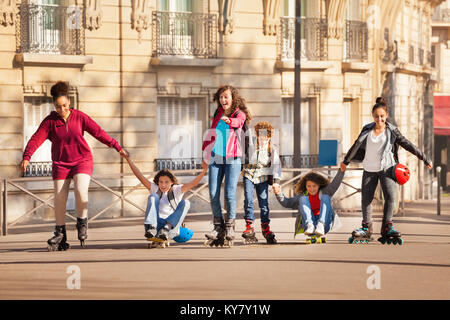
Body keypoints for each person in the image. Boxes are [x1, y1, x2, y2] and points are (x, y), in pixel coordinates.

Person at [21, 81, 128, 251]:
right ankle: (60, 233)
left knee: (80, 189)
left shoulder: (80, 117)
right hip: (60, 163)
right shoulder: (49, 122)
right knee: (59, 197)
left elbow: (99, 132)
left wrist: (117, 147)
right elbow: (35, 139)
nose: (61, 110)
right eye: (58, 107)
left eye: (64, 105)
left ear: (69, 102)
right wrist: (27, 157)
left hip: (82, 160)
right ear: (54, 105)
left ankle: (82, 222)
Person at [341, 97, 433, 244]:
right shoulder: (366, 129)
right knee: (366, 199)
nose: (379, 119)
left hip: (388, 169)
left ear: (386, 116)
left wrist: (424, 158)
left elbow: (407, 144)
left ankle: (387, 227)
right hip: (369, 169)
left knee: (390, 198)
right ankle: (366, 227)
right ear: (373, 116)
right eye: (377, 116)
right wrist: (346, 161)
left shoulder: (392, 131)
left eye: (382, 116)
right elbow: (356, 145)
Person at [202, 85, 252, 247]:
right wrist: (205, 154)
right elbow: (211, 134)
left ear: (232, 98)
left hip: (233, 158)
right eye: (221, 97)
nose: (223, 100)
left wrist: (229, 120)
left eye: (226, 97)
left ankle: (230, 226)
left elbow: (238, 123)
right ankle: (218, 227)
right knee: (213, 193)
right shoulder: (217, 113)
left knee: (230, 194)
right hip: (216, 158)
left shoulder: (239, 113)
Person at [122, 153, 207, 242]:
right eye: (161, 182)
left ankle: (166, 229)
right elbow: (139, 175)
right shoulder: (154, 188)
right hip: (156, 224)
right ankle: (152, 227)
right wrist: (128, 159)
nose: (163, 185)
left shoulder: (177, 190)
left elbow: (193, 184)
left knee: (186, 202)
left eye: (166, 182)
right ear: (157, 182)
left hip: (170, 226)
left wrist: (204, 170)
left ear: (172, 182)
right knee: (153, 196)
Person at [273, 168, 345, 239]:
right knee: (303, 198)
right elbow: (287, 203)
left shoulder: (324, 192)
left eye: (314, 186)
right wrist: (278, 193)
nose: (311, 189)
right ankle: (310, 225)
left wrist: (341, 171)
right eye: (309, 186)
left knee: (326, 197)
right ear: (305, 186)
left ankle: (321, 224)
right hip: (308, 227)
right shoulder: (303, 196)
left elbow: (334, 184)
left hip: (325, 225)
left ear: (319, 185)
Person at [242, 121, 282, 244]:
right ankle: (249, 225)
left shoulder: (272, 149)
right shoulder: (250, 144)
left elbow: (276, 166)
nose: (262, 140)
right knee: (248, 199)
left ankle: (265, 227)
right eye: (260, 136)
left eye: (266, 137)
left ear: (269, 137)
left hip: (263, 177)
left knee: (264, 203)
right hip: (249, 174)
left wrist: (276, 181)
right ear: (257, 134)